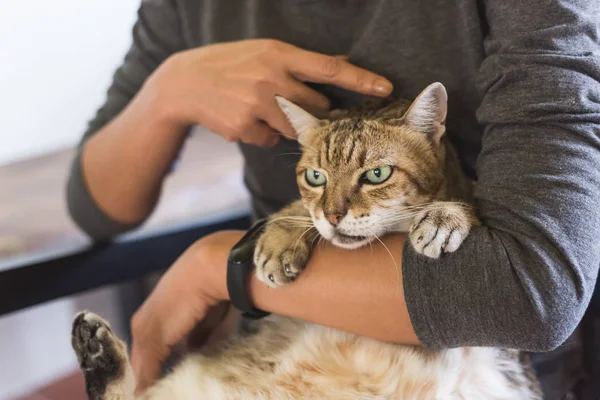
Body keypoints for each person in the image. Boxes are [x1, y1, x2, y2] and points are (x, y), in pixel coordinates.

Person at [66, 1, 600, 398]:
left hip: (463, 360)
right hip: (291, 350)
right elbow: (97, 209)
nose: (337, 207)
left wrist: (224, 267)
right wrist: (169, 91)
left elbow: (533, 293)